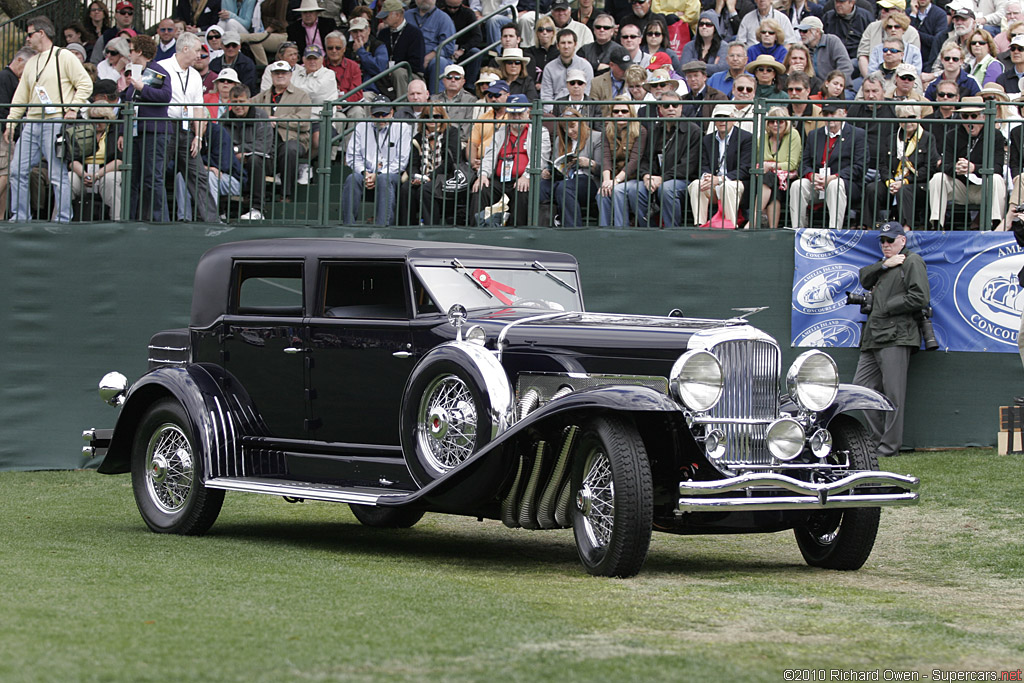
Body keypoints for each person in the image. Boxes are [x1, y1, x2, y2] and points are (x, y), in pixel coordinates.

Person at [852, 222, 930, 459]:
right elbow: (863, 277)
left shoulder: (912, 260)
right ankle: (877, 441)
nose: (886, 244)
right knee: (860, 390)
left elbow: (920, 297)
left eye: (891, 240)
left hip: (897, 336)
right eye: (883, 241)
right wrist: (885, 264)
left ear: (902, 241)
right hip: (873, 337)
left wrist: (887, 305)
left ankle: (888, 447)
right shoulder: (884, 265)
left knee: (894, 395)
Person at [4, 16, 93, 223]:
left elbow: (85, 84)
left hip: (54, 122)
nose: (27, 39)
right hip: (31, 122)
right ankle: (20, 216)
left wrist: (72, 107)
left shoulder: (64, 57)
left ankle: (62, 218)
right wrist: (11, 122)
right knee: (17, 171)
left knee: (56, 173)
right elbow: (21, 96)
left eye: (30, 34)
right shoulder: (32, 61)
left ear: (41, 33)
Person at [927, 95, 1007, 230]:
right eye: (965, 116)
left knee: (997, 179)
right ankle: (937, 225)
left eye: (974, 116)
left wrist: (974, 168)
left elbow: (998, 167)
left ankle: (996, 226)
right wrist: (957, 168)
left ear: (983, 117)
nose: (970, 120)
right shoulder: (952, 135)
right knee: (938, 178)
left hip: (983, 188)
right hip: (961, 187)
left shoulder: (995, 135)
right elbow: (944, 165)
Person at [789, 101, 866, 229]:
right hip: (817, 183)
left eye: (832, 113)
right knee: (798, 185)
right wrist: (811, 175)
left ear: (843, 114)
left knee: (835, 185)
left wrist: (835, 177)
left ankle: (834, 231)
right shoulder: (814, 135)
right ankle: (798, 230)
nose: (829, 118)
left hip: (844, 184)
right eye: (825, 114)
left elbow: (860, 166)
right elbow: (804, 162)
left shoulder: (857, 134)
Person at [864, 103, 940, 229]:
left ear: (919, 118)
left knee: (904, 190)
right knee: (873, 188)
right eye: (903, 118)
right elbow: (883, 165)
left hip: (916, 184)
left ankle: (905, 228)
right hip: (893, 181)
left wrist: (904, 182)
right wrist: (890, 181)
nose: (907, 122)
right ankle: (870, 227)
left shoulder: (927, 138)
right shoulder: (891, 139)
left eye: (912, 117)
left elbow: (929, 168)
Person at [343, 96, 413, 225]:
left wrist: (378, 174)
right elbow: (353, 156)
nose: (380, 118)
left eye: (384, 114)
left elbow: (401, 161)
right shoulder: (361, 127)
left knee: (383, 179)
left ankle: (382, 226)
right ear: (371, 114)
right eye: (377, 115)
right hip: (367, 173)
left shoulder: (402, 127)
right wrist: (365, 173)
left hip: (391, 175)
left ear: (392, 112)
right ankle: (348, 224)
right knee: (352, 178)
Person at [638, 91, 703, 227]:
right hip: (655, 179)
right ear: (660, 109)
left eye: (675, 105)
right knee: (634, 189)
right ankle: (647, 230)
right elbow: (645, 159)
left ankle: (671, 230)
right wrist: (646, 175)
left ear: (681, 107)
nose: (671, 109)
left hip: (683, 181)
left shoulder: (693, 131)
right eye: (667, 105)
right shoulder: (655, 130)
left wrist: (662, 178)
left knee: (667, 189)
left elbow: (688, 166)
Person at [253, 60, 313, 202]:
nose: (280, 76)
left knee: (289, 150)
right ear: (271, 75)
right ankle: (253, 196)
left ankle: (286, 194)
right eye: (276, 73)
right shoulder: (263, 96)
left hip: (293, 139)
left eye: (284, 73)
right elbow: (247, 108)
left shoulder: (301, 95)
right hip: (267, 139)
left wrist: (277, 119)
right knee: (255, 153)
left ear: (290, 75)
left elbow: (303, 122)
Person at [473, 93, 535, 227]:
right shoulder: (500, 132)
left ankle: (517, 231)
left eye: (520, 114)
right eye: (513, 115)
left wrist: (527, 175)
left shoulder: (537, 132)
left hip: (522, 178)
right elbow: (489, 156)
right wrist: (483, 174)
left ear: (528, 112)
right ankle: (477, 229)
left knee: (523, 190)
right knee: (480, 187)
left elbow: (540, 157)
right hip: (500, 179)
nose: (516, 118)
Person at [688, 103, 753, 229]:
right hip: (714, 183)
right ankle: (699, 224)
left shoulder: (746, 138)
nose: (722, 120)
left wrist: (720, 179)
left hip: (735, 183)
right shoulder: (707, 139)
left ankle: (730, 226)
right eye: (718, 117)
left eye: (726, 117)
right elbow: (703, 164)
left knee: (728, 186)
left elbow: (745, 168)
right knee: (697, 184)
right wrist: (706, 177)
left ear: (733, 119)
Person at [398, 104, 462, 225]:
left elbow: (451, 161)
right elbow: (413, 162)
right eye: (427, 116)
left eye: (436, 116)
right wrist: (414, 176)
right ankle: (406, 226)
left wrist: (430, 177)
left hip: (445, 176)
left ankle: (431, 227)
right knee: (406, 188)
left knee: (426, 189)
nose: (432, 120)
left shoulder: (451, 133)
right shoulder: (418, 138)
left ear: (443, 118)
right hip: (423, 176)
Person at [540, 107, 602, 226]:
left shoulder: (596, 137)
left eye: (572, 126)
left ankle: (572, 228)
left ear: (581, 123)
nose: (569, 131)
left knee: (565, 188)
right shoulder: (560, 140)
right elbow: (554, 163)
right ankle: (545, 224)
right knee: (542, 186)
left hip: (588, 179)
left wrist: (590, 163)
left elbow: (602, 168)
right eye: (564, 128)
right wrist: (547, 171)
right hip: (563, 178)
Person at [224, 84, 275, 220]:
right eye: (234, 102)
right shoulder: (225, 118)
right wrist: (237, 152)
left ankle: (257, 209)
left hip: (263, 161)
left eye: (242, 102)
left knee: (255, 160)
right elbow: (222, 144)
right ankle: (222, 209)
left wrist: (241, 151)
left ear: (249, 101)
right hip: (234, 160)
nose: (238, 106)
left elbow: (263, 145)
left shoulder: (260, 115)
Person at [597, 96, 647, 227]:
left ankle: (621, 230)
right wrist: (606, 181)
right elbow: (605, 158)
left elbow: (635, 161)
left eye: (624, 111)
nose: (620, 114)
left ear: (631, 113)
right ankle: (605, 232)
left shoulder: (640, 131)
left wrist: (616, 181)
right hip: (614, 177)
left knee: (618, 190)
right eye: (616, 111)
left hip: (634, 177)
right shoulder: (607, 132)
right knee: (603, 192)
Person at [0, 47, 35, 220]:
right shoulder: (5, 78)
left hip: (10, 133)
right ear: (20, 60)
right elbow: (4, 108)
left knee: (8, 175)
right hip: (4, 134)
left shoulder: (13, 79)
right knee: (6, 174)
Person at [759, 105, 802, 228]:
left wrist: (771, 165)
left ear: (786, 122)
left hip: (788, 180)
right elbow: (758, 160)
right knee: (770, 179)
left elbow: (792, 164)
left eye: (780, 121)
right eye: (772, 121)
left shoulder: (793, 135)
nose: (775, 124)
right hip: (767, 179)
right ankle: (773, 229)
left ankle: (754, 219)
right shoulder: (763, 137)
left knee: (771, 179)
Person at [405, 0, 456, 92]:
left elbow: (448, 47)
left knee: (440, 62)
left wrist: (427, 58)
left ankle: (436, 100)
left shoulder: (444, 18)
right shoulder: (407, 16)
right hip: (409, 58)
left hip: (431, 61)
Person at [377, 0, 426, 96]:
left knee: (398, 72)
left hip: (411, 74)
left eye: (386, 16)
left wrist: (394, 69)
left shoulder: (414, 33)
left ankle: (402, 108)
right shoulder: (383, 33)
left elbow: (416, 63)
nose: (383, 19)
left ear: (398, 15)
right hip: (386, 72)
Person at [541, 28, 595, 111]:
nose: (566, 46)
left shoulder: (585, 66)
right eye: (563, 43)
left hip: (579, 111)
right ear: (557, 46)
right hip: (555, 112)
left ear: (575, 44)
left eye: (569, 43)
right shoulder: (549, 68)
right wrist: (553, 112)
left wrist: (576, 112)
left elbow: (587, 92)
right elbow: (546, 95)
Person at [429, 64, 477, 143]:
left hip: (459, 142)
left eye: (457, 78)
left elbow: (466, 130)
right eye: (449, 77)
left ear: (463, 81)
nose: (453, 80)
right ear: (444, 80)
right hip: (435, 140)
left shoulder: (471, 100)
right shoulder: (434, 99)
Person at [681, 12, 730, 76]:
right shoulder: (689, 46)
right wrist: (712, 67)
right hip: (692, 82)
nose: (704, 27)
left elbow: (721, 69)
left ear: (715, 28)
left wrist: (694, 63)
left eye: (708, 24)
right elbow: (682, 68)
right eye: (701, 24)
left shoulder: (724, 46)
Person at [576, 13, 618, 77]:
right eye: (598, 27)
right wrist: (598, 66)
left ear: (612, 31)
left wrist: (590, 66)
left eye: (606, 28)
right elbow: (578, 68)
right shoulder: (584, 49)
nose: (601, 30)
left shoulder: (619, 50)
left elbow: (618, 71)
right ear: (594, 30)